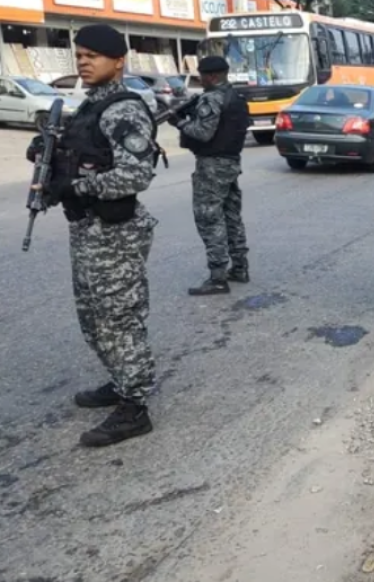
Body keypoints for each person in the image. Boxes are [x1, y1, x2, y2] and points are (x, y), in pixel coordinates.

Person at [25, 23, 162, 448]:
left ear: (118, 61)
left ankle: (135, 407)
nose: (83, 62)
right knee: (94, 318)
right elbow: (81, 156)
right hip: (88, 229)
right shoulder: (90, 107)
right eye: (79, 55)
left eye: (93, 56)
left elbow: (136, 174)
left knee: (119, 319)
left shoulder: (123, 109)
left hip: (115, 233)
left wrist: (77, 187)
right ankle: (120, 381)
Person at [167, 55, 251, 295]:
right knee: (230, 215)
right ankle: (239, 267)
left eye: (201, 75)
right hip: (231, 162)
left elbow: (203, 133)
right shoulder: (234, 96)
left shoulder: (212, 98)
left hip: (212, 165)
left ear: (212, 76)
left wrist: (180, 123)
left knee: (209, 217)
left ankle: (217, 276)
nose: (200, 80)